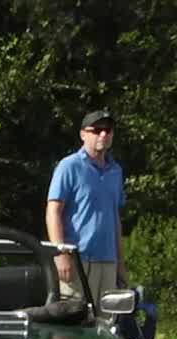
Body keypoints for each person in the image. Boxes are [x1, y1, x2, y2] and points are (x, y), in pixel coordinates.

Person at [45, 109, 127, 306]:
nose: (103, 135)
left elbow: (114, 216)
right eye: (97, 130)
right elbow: (53, 211)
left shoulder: (115, 171)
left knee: (107, 324)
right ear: (83, 134)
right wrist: (61, 253)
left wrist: (120, 263)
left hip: (108, 260)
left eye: (108, 130)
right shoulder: (69, 166)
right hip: (77, 260)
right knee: (74, 322)